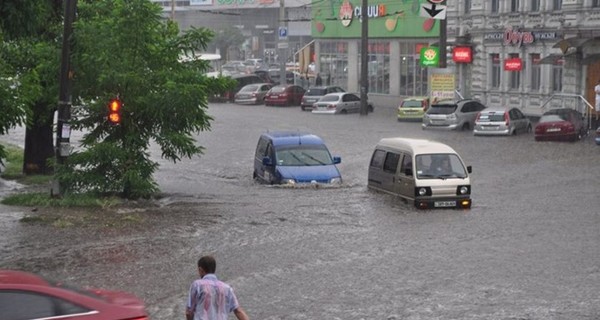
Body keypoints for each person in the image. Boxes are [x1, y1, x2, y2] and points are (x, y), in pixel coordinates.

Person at [186, 256, 249, 320]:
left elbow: (189, 312)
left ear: (200, 269)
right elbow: (238, 311)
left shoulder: (197, 285)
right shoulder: (227, 288)